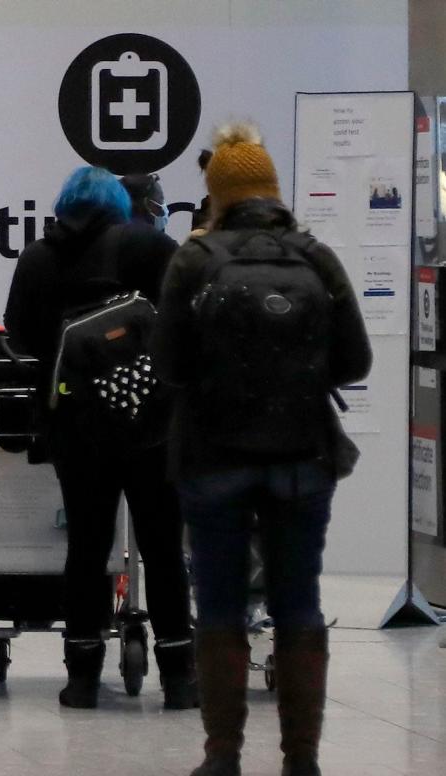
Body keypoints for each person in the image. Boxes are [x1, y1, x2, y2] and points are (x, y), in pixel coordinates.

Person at [151, 124, 372, 776]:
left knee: (219, 606)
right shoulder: (316, 258)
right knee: (297, 603)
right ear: (273, 191)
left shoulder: (194, 260)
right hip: (303, 459)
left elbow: (167, 366)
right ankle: (301, 760)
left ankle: (222, 758)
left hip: (213, 459)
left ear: (217, 194)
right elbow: (355, 361)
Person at [4, 166, 197, 710]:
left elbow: (19, 334)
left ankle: (83, 675)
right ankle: (180, 676)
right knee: (162, 548)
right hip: (152, 425)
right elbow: (184, 325)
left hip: (76, 427)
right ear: (119, 204)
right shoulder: (151, 247)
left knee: (87, 549)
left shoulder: (38, 258)